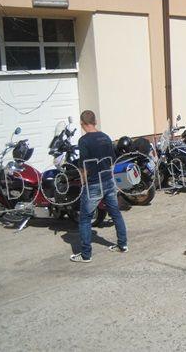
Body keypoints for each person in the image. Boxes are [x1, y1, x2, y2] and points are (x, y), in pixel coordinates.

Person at [70, 110, 128, 263]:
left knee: (85, 218)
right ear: (95, 121)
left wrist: (83, 182)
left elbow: (84, 166)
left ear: (82, 123)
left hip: (94, 183)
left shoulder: (84, 141)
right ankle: (122, 245)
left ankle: (85, 255)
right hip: (108, 180)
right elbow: (112, 161)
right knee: (115, 213)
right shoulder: (105, 137)